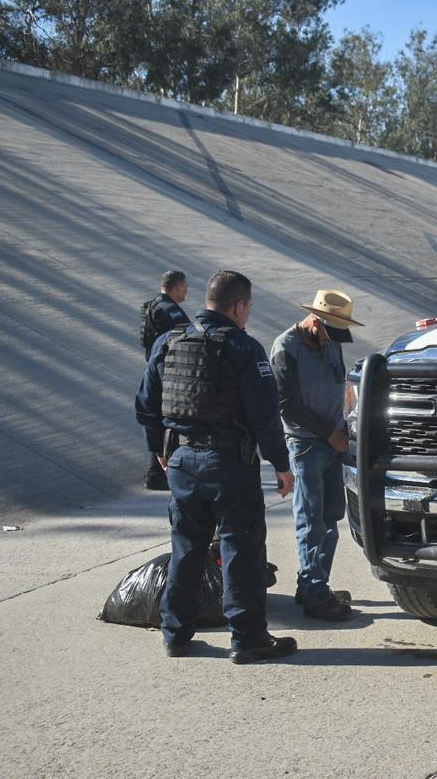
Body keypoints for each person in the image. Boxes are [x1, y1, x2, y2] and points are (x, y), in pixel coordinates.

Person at [135, 269, 298, 664]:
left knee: (186, 548)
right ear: (238, 305)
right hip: (228, 463)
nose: (248, 314)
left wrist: (159, 448)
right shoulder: (244, 348)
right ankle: (248, 640)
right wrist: (281, 464)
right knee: (240, 549)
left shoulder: (169, 341)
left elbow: (146, 404)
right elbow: (264, 416)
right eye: (249, 307)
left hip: (181, 461)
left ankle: (175, 634)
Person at [270, 289, 363, 622]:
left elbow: (341, 388)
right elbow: (286, 405)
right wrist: (328, 431)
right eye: (329, 332)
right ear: (314, 321)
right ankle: (314, 592)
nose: (331, 340)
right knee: (311, 521)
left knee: (331, 519)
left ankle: (313, 582)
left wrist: (345, 429)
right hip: (306, 444)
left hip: (334, 443)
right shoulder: (286, 347)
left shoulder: (331, 342)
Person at [140, 271, 192, 490]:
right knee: (164, 419)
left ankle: (157, 471)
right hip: (167, 370)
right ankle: (157, 472)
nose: (187, 291)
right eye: (185, 287)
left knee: (158, 418)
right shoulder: (169, 309)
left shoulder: (151, 305)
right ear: (177, 286)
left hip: (157, 367)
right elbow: (184, 336)